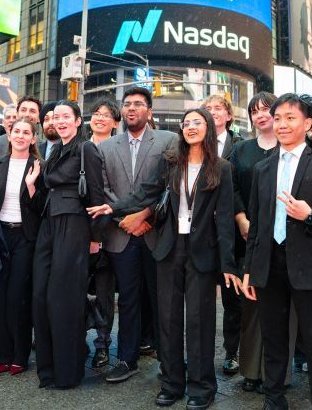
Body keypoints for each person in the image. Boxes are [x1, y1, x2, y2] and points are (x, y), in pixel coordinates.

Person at [89, 107, 237, 410]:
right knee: (168, 319)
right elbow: (145, 193)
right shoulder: (171, 162)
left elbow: (224, 221)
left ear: (208, 127)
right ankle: (171, 383)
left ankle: (202, 387)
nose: (191, 127)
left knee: (200, 321)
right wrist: (113, 208)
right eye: (186, 123)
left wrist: (228, 264)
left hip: (202, 252)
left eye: (197, 122)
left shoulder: (221, 168)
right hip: (169, 248)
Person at [240, 93, 312, 410]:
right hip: (268, 264)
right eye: (279, 118)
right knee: (273, 338)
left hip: (310, 265)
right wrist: (249, 269)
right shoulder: (262, 169)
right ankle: (274, 400)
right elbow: (256, 224)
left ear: (307, 123)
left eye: (291, 117)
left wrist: (310, 215)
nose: (283, 124)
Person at [96, 87, 177, 383]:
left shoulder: (169, 141)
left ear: (150, 111)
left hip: (156, 232)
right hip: (121, 234)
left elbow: (172, 186)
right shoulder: (105, 147)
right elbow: (102, 189)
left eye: (139, 104)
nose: (132, 108)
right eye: (127, 104)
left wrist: (145, 216)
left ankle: (170, 363)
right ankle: (126, 360)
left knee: (162, 300)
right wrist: (123, 219)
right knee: (128, 299)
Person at [33, 100, 106, 390]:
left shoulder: (86, 148)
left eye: (66, 116)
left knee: (64, 300)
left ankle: (68, 371)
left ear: (78, 121)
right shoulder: (56, 149)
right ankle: (48, 370)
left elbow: (97, 195)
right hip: (49, 223)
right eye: (55, 117)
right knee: (41, 296)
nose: (59, 121)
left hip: (74, 225)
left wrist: (94, 238)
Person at [228, 91, 278, 393]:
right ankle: (250, 370)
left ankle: (274, 371)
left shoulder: (289, 146)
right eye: (255, 111)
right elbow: (231, 187)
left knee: (277, 306)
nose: (261, 115)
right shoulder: (242, 149)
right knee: (250, 305)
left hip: (281, 238)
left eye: (266, 109)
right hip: (246, 236)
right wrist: (241, 219)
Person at [0, 118, 45, 375]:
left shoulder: (39, 166)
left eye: (26, 133)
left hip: (25, 237)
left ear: (34, 139)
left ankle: (20, 355)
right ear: (9, 136)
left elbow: (43, 207)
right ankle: (2, 355)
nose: (21, 136)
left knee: (17, 297)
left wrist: (32, 184)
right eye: (16, 131)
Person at [202, 94, 243, 375]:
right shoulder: (193, 145)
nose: (213, 112)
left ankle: (232, 351)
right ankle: (201, 352)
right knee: (201, 295)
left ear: (229, 115)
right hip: (201, 232)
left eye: (218, 108)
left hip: (230, 230)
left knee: (232, 296)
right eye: (208, 108)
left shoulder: (239, 146)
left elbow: (240, 186)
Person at [86, 97, 121, 368]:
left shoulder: (117, 151)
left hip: (110, 232)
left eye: (106, 115)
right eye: (96, 113)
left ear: (115, 123)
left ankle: (102, 345)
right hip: (77, 230)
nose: (99, 118)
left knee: (104, 292)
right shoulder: (78, 146)